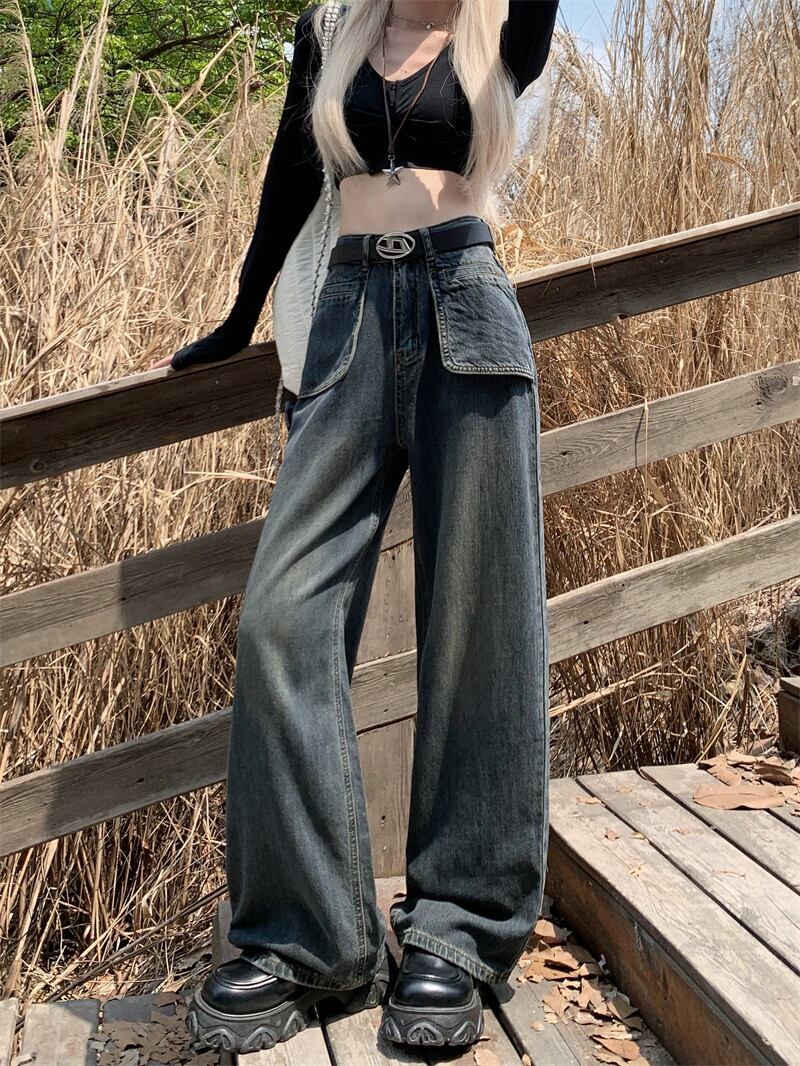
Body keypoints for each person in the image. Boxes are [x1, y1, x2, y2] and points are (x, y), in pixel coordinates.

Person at [157, 0, 558, 1055]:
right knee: (281, 621)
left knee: (480, 622)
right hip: (345, 315)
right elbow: (290, 180)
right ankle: (313, 942)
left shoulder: (501, 32)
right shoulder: (330, 30)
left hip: (465, 300)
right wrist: (237, 319)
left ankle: (457, 931)